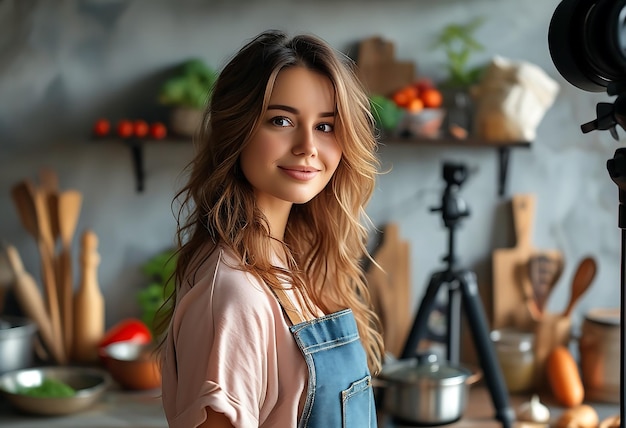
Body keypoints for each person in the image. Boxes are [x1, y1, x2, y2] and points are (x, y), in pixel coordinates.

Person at [156, 29, 385, 428]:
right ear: (237, 130)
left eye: (326, 126)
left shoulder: (294, 259)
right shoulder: (233, 297)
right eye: (281, 120)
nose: (308, 146)